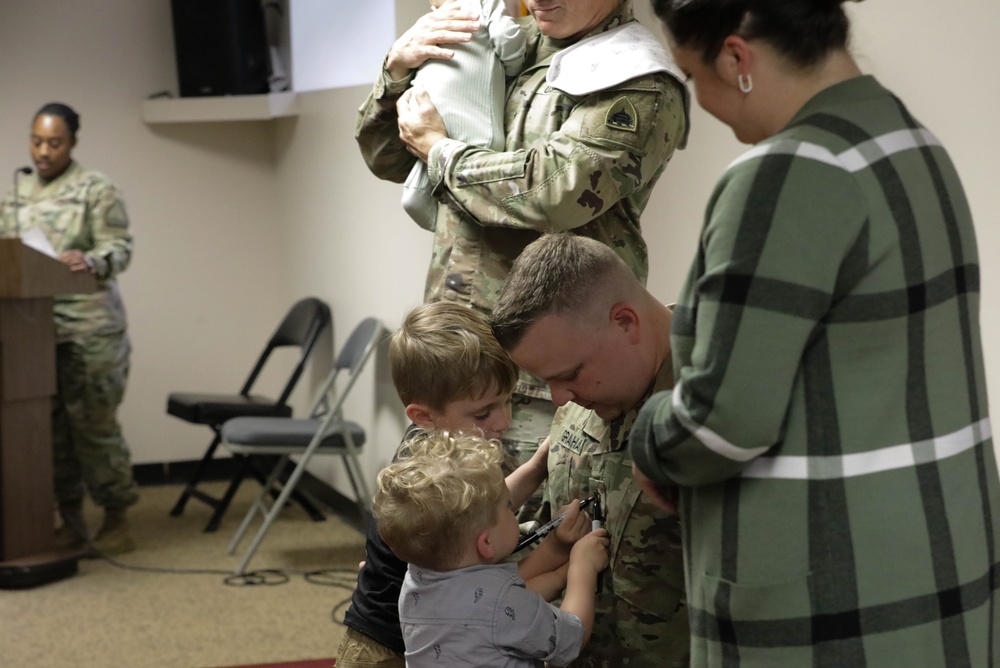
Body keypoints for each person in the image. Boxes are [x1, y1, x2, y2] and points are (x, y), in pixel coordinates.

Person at [627, 1, 1000, 665]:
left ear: (737, 58)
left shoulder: (785, 173)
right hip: (939, 557)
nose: (702, 104)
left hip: (833, 593)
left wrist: (649, 438)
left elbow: (723, 422)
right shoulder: (915, 146)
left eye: (692, 76)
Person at [355, 0, 690, 523]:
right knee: (433, 534)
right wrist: (397, 71)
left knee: (520, 544)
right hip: (459, 355)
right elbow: (386, 156)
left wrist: (442, 153)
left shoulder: (637, 77)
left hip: (546, 377)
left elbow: (553, 191)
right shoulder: (507, 39)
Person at [490, 233, 689, 666]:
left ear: (625, 323)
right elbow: (549, 531)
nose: (559, 398)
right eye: (547, 381)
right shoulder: (582, 404)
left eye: (571, 373)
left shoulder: (720, 410)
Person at [337, 301, 550, 668]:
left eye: (507, 401)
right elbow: (483, 543)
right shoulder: (429, 472)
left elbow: (485, 509)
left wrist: (536, 468)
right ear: (424, 416)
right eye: (483, 412)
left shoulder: (445, 446)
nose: (502, 421)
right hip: (384, 645)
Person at [0, 102, 138, 555]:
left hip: (90, 328)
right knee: (49, 430)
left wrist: (92, 259)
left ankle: (117, 517)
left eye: (54, 142)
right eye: (36, 141)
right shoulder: (16, 192)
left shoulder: (94, 189)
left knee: (93, 426)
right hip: (32, 333)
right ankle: (70, 518)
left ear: (73, 143)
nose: (43, 151)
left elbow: (118, 247)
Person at [373, 429, 610, 667]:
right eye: (508, 506)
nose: (513, 510)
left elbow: (498, 600)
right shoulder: (500, 603)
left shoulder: (419, 578)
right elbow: (570, 640)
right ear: (486, 543)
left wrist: (559, 565)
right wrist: (582, 568)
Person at [401, 0, 526, 232]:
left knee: (471, 214)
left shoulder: (483, 2)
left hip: (472, 129)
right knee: (413, 199)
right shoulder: (433, 20)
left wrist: (510, 70)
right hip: (431, 127)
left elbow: (509, 41)